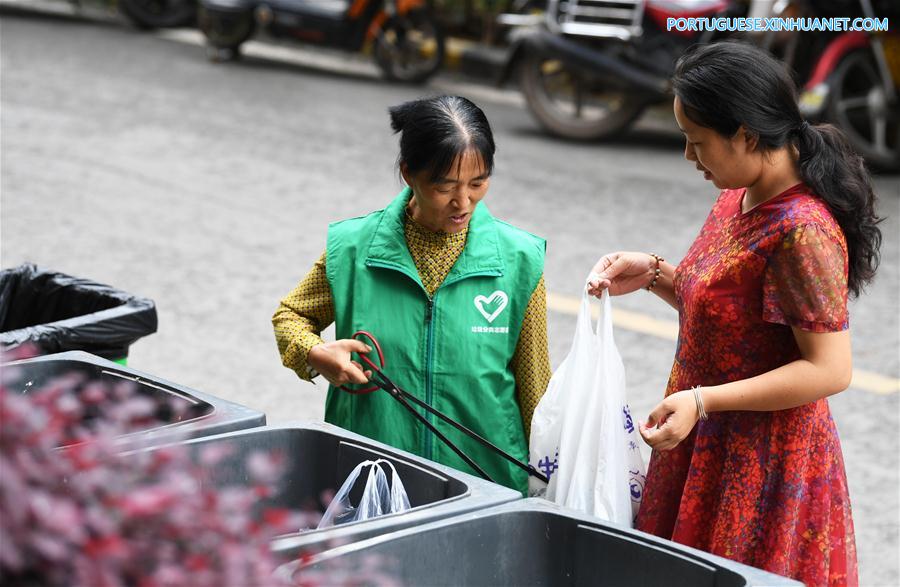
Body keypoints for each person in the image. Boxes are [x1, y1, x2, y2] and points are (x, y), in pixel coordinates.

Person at [587, 42, 881, 586]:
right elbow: (735, 319)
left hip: (760, 464)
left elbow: (829, 369)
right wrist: (656, 273)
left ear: (746, 135)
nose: (688, 157)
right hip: (701, 437)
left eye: (698, 143)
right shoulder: (738, 191)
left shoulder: (803, 231)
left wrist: (704, 401)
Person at [273, 95, 551, 494]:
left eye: (478, 183)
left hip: (484, 485)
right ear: (409, 174)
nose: (463, 202)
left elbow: (535, 386)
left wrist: (543, 485)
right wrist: (316, 353)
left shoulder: (520, 260)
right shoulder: (353, 249)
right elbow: (291, 317)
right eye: (445, 187)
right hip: (371, 478)